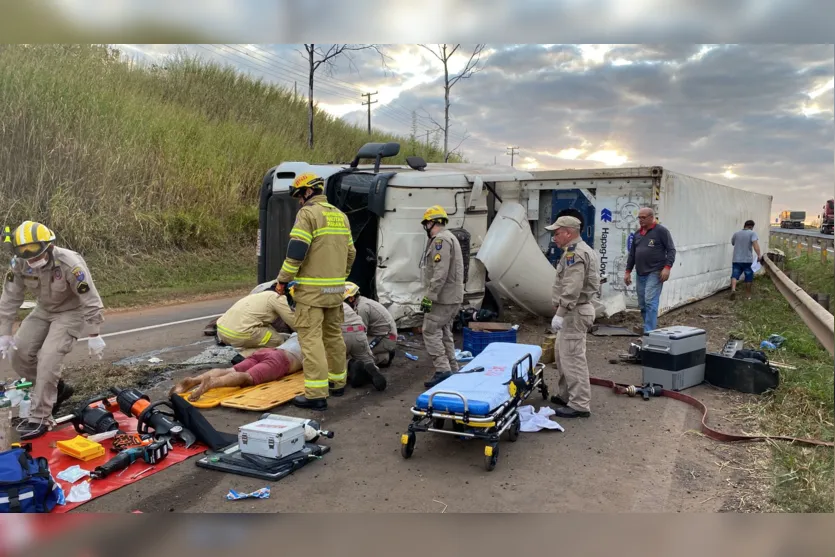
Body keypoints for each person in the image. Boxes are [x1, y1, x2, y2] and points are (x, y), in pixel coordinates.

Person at [0, 221, 106, 440]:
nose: (31, 258)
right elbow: (9, 299)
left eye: (35, 252)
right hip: (43, 310)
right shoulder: (19, 263)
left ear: (48, 245)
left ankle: (40, 417)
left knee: (48, 359)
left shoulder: (69, 263)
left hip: (70, 312)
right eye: (25, 253)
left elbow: (90, 298)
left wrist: (94, 334)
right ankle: (56, 388)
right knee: (17, 353)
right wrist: (5, 333)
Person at [276, 173, 355, 411]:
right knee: (333, 337)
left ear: (307, 192)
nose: (299, 201)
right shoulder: (341, 216)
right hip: (335, 292)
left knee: (311, 341)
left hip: (311, 293)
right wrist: (340, 276)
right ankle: (337, 382)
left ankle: (316, 394)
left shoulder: (308, 214)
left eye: (299, 196)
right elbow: (351, 253)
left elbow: (296, 252)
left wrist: (282, 280)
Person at [545, 215, 601, 419]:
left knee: (573, 358)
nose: (554, 238)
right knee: (562, 356)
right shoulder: (578, 250)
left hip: (574, 312)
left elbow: (572, 287)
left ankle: (579, 404)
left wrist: (560, 312)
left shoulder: (574, 254)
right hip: (574, 310)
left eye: (557, 233)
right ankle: (566, 395)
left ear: (568, 232)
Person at [171, 334, 304, 401]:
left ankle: (194, 380)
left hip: (267, 351)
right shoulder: (317, 341)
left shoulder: (299, 333)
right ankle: (213, 382)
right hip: (281, 360)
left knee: (231, 370)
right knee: (247, 378)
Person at [419, 205, 464, 388]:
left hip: (443, 298)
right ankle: (452, 369)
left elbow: (440, 272)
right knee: (444, 332)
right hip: (451, 297)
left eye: (426, 223)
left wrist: (429, 296)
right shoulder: (450, 237)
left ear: (431, 222)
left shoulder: (441, 241)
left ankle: (442, 370)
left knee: (430, 330)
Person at [624, 207, 676, 334]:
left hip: (655, 272)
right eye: (639, 217)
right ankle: (648, 327)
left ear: (651, 217)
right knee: (642, 304)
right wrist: (627, 271)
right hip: (640, 272)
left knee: (650, 301)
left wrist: (667, 268)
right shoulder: (637, 234)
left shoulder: (661, 231)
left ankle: (649, 333)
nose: (641, 220)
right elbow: (632, 254)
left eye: (644, 217)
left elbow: (671, 250)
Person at [215, 290, 292, 354]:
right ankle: (245, 354)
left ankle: (242, 345)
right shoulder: (279, 299)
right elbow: (293, 321)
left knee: (268, 331)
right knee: (277, 341)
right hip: (240, 334)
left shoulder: (263, 295)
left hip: (222, 332)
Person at [344, 281, 398, 368]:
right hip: (382, 336)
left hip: (385, 338)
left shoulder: (362, 308)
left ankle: (377, 362)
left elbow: (360, 334)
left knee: (356, 354)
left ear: (351, 299)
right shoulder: (361, 303)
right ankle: (384, 357)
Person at [340, 293, 387, 392]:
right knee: (365, 358)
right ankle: (371, 369)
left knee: (327, 360)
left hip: (342, 334)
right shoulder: (344, 305)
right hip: (359, 332)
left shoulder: (317, 304)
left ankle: (350, 366)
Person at [730, 220, 763, 300]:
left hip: (736, 259)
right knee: (748, 276)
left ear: (744, 225)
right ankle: (748, 295)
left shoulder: (736, 233)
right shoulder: (752, 233)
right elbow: (755, 246)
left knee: (734, 275)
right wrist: (759, 255)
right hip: (747, 260)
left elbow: (733, 243)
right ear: (751, 227)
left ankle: (733, 290)